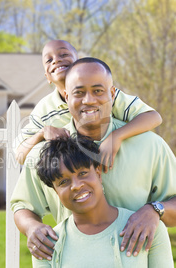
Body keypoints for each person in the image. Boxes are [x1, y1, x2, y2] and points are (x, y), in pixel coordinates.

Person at [11, 57, 176, 262]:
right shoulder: (44, 154)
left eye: (98, 91)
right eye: (79, 92)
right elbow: (22, 205)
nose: (89, 100)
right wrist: (31, 227)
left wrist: (155, 210)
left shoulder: (150, 146)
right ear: (66, 95)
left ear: (112, 93)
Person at [15, 40, 162, 172]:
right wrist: (42, 133)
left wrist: (116, 136)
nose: (56, 60)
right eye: (49, 60)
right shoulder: (44, 109)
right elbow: (19, 155)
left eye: (63, 54)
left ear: (79, 63)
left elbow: (153, 117)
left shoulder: (105, 95)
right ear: (47, 77)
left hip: (118, 167)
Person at [32, 135, 173, 267]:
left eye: (82, 173)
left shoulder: (148, 228)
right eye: (63, 181)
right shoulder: (46, 244)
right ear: (56, 191)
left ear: (98, 173)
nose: (76, 186)